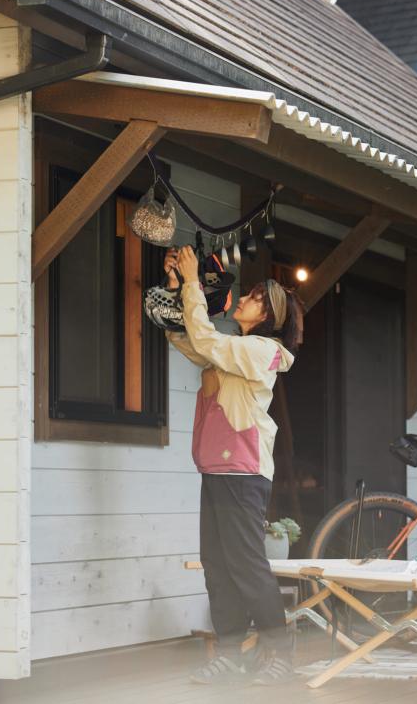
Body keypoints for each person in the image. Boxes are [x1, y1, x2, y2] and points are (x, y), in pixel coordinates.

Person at [164, 245, 304, 686]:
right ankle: (229, 655)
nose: (244, 298)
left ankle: (280, 655)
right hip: (216, 468)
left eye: (255, 298)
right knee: (218, 565)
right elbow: (188, 341)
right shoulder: (234, 349)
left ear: (269, 316)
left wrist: (192, 282)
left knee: (245, 564)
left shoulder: (261, 350)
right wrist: (175, 287)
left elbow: (206, 340)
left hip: (243, 471)